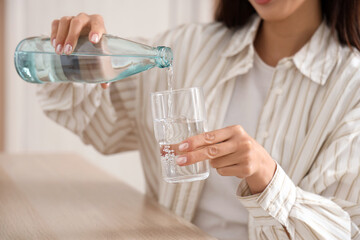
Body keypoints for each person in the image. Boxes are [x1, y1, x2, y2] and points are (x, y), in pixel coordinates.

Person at [37, 0, 360, 239]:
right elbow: (100, 124)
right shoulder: (187, 48)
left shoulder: (351, 87)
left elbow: (343, 231)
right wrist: (76, 59)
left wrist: (267, 179)